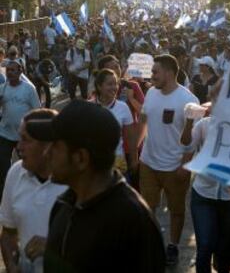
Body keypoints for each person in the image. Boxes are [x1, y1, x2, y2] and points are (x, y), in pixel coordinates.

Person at [26, 100, 165, 272]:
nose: (46, 154)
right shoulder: (64, 204)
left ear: (80, 158)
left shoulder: (133, 222)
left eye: (55, 146)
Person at [137, 54, 199, 265]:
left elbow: (194, 139)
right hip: (148, 163)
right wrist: (137, 152)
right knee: (147, 208)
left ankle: (172, 246)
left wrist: (185, 165)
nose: (151, 75)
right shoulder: (151, 93)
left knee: (176, 211)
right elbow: (144, 121)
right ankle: (151, 244)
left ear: (169, 73)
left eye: (155, 72)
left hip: (175, 167)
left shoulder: (189, 100)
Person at [0, 109, 67, 273]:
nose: (18, 147)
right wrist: (12, 266)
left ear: (48, 146)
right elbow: (8, 233)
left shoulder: (75, 182)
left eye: (25, 140)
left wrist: (52, 249)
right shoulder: (15, 173)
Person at [0, 59, 40, 198]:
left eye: (13, 70)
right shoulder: (2, 88)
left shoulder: (29, 89)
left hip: (24, 136)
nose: (9, 73)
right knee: (2, 165)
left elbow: (37, 110)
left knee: (28, 164)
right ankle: (6, 193)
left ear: (20, 71)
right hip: (4, 133)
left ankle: (30, 192)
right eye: (8, 70)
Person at [92, 69, 138, 174]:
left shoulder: (123, 107)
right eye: (109, 84)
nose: (114, 87)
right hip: (94, 164)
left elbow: (131, 138)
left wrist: (134, 160)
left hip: (117, 163)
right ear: (99, 86)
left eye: (115, 84)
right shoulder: (89, 107)